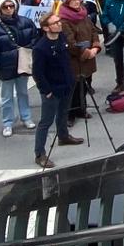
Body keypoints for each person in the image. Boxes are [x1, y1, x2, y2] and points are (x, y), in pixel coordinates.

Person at [30, 11, 81, 168]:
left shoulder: (62, 38)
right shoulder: (40, 48)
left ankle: (63, 136)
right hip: (52, 88)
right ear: (46, 28)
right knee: (46, 121)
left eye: (59, 21)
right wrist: (46, 90)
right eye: (55, 23)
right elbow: (37, 72)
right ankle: (40, 153)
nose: (59, 24)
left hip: (66, 83)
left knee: (63, 113)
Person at [0, 0, 37, 136]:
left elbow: (34, 37)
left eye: (11, 6)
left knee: (23, 92)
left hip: (22, 64)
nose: (9, 9)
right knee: (7, 97)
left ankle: (26, 117)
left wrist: (29, 50)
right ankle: (7, 123)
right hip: (5, 67)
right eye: (5, 7)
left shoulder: (26, 22)